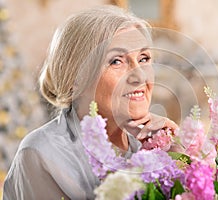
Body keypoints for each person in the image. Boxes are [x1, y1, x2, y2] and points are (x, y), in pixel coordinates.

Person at [3, 5, 179, 200]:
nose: (139, 75)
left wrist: (178, 162)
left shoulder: (152, 146)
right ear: (74, 77)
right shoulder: (40, 154)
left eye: (144, 58)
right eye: (116, 61)